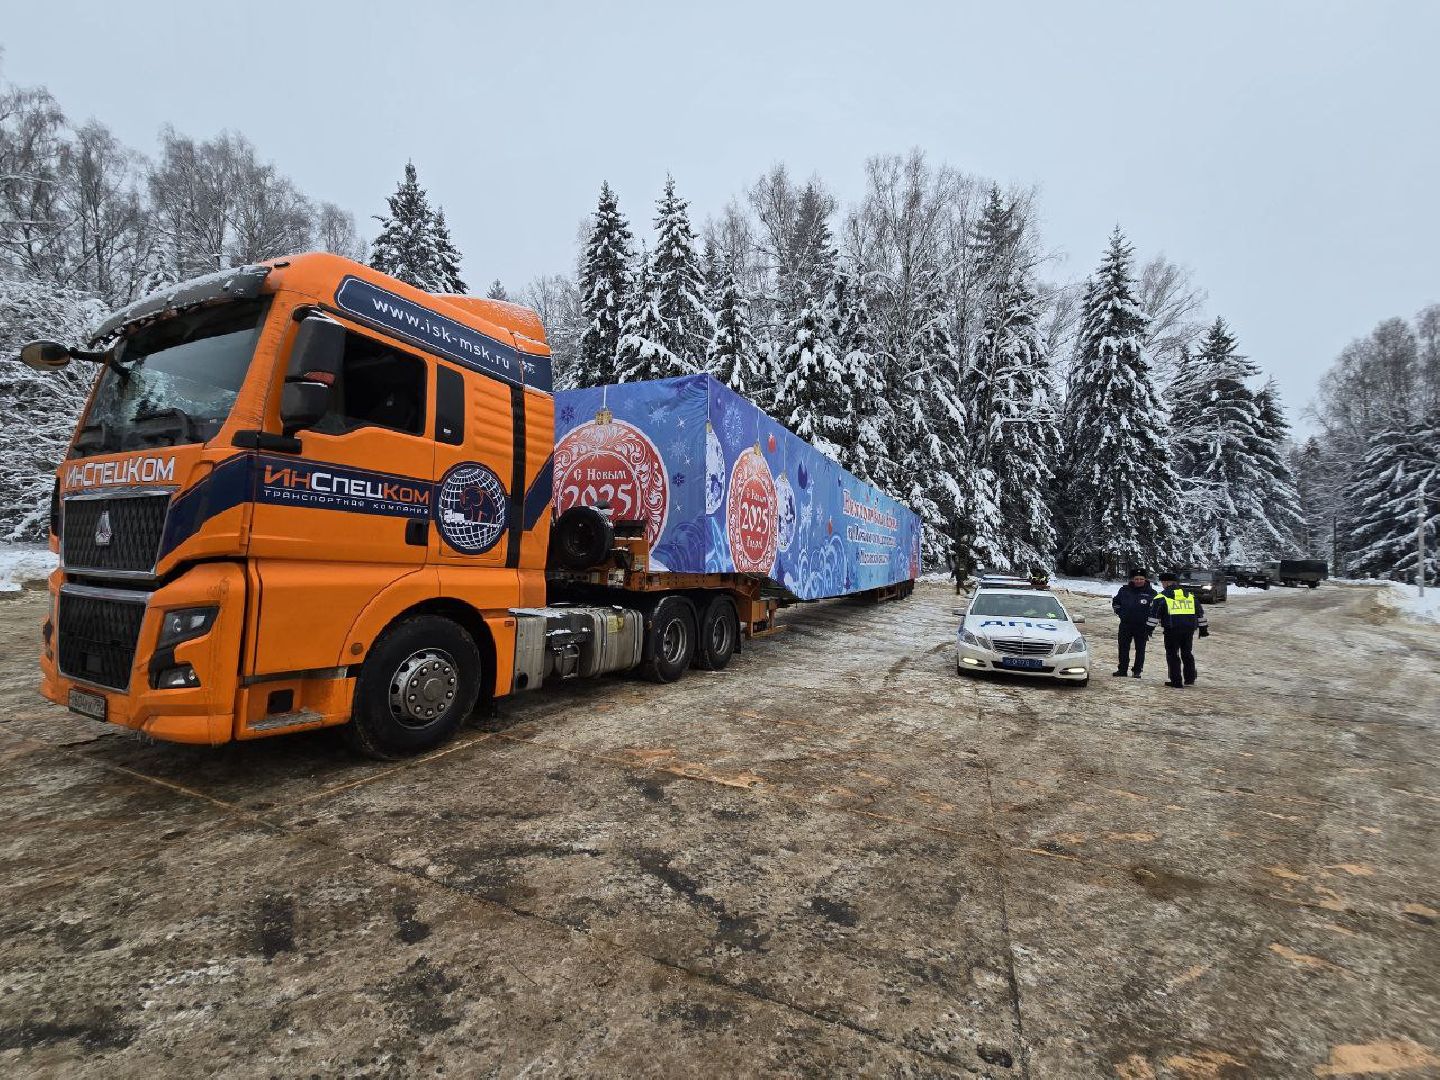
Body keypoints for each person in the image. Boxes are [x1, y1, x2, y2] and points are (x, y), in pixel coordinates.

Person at [1148, 569, 1210, 688]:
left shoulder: (1162, 597)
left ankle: (1176, 680)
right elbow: (1200, 614)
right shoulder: (1190, 596)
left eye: (1163, 582)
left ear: (1165, 583)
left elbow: (1154, 616)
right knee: (1187, 653)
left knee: (1172, 654)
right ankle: (1190, 678)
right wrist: (1203, 629)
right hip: (1189, 629)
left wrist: (1148, 629)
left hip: (1172, 630)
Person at [1110, 568, 1157, 678]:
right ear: (1132, 579)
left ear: (1145, 579)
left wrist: (1150, 623)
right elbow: (1116, 602)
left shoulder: (1152, 593)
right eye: (1136, 579)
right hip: (1126, 624)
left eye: (1141, 579)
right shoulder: (1124, 590)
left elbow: (1155, 609)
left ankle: (1137, 671)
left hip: (1142, 626)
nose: (1139, 581)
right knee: (1123, 648)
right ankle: (1122, 669)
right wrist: (1119, 612)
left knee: (1140, 649)